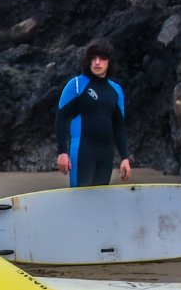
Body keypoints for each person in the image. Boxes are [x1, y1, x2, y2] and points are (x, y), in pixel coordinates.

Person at [55, 38, 131, 186]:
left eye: (102, 58)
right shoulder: (77, 85)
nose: (97, 62)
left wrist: (125, 158)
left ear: (109, 62)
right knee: (80, 201)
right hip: (83, 150)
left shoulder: (116, 90)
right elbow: (61, 118)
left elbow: (119, 127)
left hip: (106, 154)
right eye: (93, 58)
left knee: (100, 203)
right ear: (88, 61)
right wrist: (62, 152)